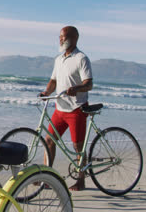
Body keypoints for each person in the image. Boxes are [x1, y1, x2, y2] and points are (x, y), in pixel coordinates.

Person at [39, 26, 93, 191]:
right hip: (60, 108)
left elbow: (88, 84)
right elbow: (53, 81)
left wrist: (76, 89)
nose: (61, 39)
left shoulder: (81, 58)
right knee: (49, 141)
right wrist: (46, 92)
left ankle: (81, 180)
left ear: (74, 39)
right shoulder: (58, 59)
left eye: (64, 37)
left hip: (76, 109)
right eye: (60, 37)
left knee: (78, 146)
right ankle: (46, 178)